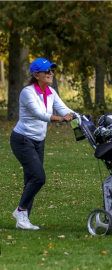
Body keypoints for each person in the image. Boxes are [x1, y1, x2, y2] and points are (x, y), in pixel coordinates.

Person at [10, 58, 74, 230]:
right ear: (36, 74)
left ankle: (23, 220)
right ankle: (20, 210)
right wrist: (61, 119)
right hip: (22, 140)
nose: (51, 74)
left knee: (31, 179)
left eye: (52, 71)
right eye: (47, 71)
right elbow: (40, 114)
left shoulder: (51, 92)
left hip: (39, 142)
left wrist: (81, 118)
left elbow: (65, 109)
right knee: (38, 177)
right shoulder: (27, 92)